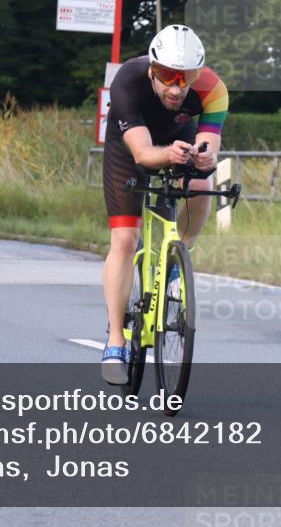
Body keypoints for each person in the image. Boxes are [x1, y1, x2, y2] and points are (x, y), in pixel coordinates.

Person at [100, 24, 228, 385]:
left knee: (202, 183)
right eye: (168, 76)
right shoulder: (128, 80)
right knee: (125, 240)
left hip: (178, 140)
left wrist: (205, 157)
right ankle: (115, 340)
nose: (176, 87)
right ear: (152, 69)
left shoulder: (213, 89)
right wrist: (167, 154)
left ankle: (177, 261)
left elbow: (210, 143)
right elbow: (142, 154)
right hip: (130, 149)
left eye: (187, 77)